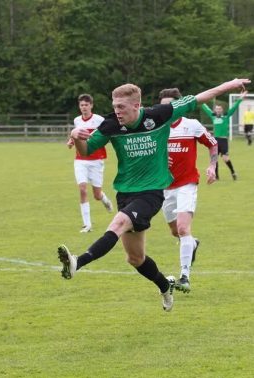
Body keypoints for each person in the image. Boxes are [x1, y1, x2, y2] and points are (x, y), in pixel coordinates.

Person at [57, 78, 250, 312]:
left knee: (118, 223)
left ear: (137, 105)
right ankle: (164, 285)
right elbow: (87, 150)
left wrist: (230, 84)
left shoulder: (159, 115)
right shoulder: (110, 124)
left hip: (152, 192)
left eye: (121, 107)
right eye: (114, 106)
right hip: (125, 193)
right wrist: (76, 137)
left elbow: (200, 97)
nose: (116, 111)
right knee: (135, 258)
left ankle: (78, 261)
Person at [159, 88, 218, 293]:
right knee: (175, 231)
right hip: (164, 187)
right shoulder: (157, 128)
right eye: (164, 105)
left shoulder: (191, 125)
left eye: (171, 104)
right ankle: (192, 243)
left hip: (187, 184)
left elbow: (212, 144)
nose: (167, 108)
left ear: (179, 105)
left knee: (183, 228)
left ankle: (185, 276)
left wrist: (212, 166)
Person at [67, 94, 113, 233]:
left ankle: (105, 200)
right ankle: (87, 225)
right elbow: (76, 135)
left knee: (97, 195)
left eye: (86, 105)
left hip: (96, 160)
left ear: (91, 105)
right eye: (81, 105)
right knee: (82, 189)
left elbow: (106, 133)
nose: (84, 107)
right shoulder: (77, 120)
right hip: (80, 160)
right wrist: (71, 141)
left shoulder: (99, 120)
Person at [201, 93, 245, 180]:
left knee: (225, 158)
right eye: (217, 109)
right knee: (215, 159)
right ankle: (216, 177)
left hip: (223, 140)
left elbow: (234, 107)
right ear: (215, 110)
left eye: (220, 109)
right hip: (215, 140)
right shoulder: (213, 116)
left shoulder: (226, 116)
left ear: (222, 110)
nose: (218, 110)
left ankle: (233, 172)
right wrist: (200, 100)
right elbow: (205, 107)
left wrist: (240, 98)